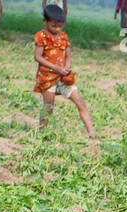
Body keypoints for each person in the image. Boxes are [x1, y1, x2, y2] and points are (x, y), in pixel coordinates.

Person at [33, 5, 95, 137]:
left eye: (60, 26)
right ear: (45, 21)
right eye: (54, 26)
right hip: (47, 78)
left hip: (64, 78)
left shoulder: (63, 37)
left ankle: (91, 132)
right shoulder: (41, 36)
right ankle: (42, 135)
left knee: (81, 102)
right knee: (48, 108)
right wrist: (55, 68)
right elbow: (37, 57)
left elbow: (68, 55)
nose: (57, 29)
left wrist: (67, 66)